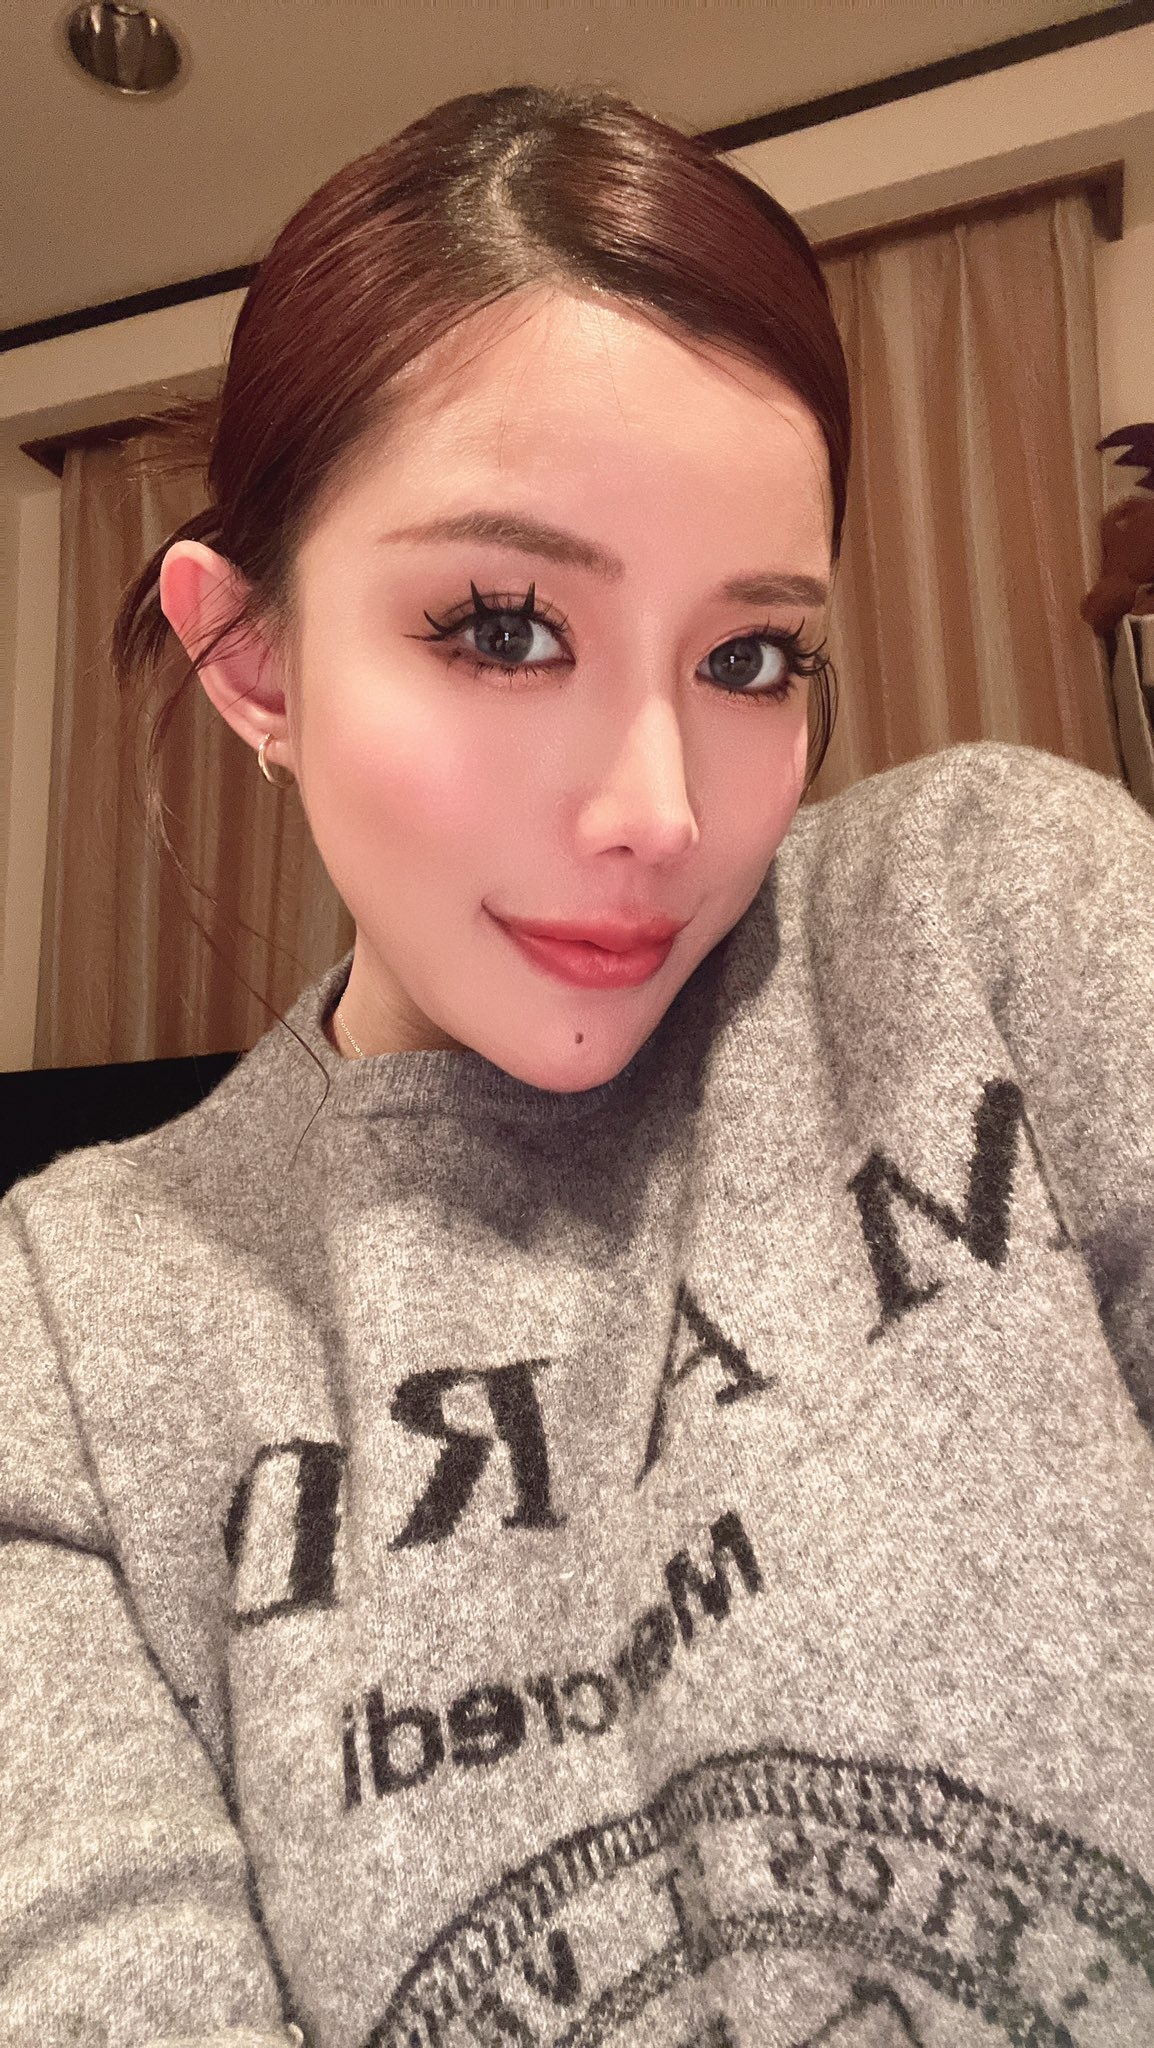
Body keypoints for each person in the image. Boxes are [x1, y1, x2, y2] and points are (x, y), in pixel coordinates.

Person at [2, 82, 1153, 2048]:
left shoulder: (987, 921)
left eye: (750, 656)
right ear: (253, 659)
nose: (657, 812)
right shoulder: (75, 1331)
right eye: (502, 626)